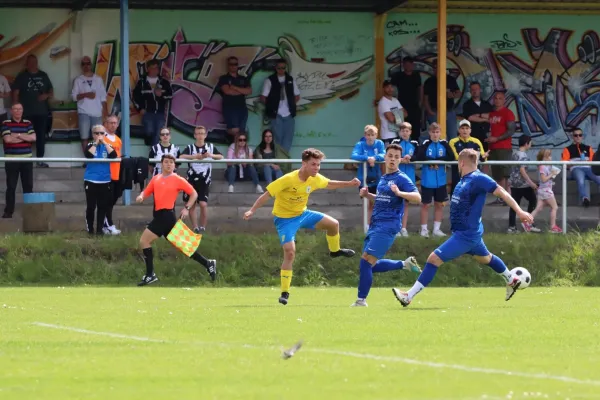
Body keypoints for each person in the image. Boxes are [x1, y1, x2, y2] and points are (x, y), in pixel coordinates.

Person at [392, 148, 534, 307]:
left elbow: (502, 192)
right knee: (485, 258)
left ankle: (408, 296)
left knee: (434, 259)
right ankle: (511, 279)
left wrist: (519, 211)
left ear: (461, 163)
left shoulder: (478, 178)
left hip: (466, 235)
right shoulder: (465, 179)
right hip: (467, 232)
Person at [243, 148, 360, 305]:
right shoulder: (288, 179)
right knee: (290, 253)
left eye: (318, 165)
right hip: (284, 220)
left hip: (302, 214)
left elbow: (329, 184)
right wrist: (252, 210)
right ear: (304, 164)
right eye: (313, 164)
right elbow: (267, 194)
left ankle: (335, 251)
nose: (317, 168)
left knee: (333, 224)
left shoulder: (315, 178)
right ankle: (285, 292)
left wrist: (350, 183)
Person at [350, 143, 422, 307]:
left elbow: (417, 197)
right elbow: (382, 199)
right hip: (375, 224)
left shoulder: (401, 178)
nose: (393, 159)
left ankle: (361, 301)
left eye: (396, 157)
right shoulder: (384, 178)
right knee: (370, 265)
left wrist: (399, 193)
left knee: (366, 261)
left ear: (400, 160)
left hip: (388, 225)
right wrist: (368, 195)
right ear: (385, 157)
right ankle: (405, 264)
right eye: (390, 156)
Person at [135, 154, 217, 286]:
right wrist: (141, 196)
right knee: (183, 246)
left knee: (144, 241)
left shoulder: (177, 179)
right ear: (162, 164)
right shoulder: (156, 178)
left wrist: (187, 208)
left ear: (174, 165)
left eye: (171, 162)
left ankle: (150, 275)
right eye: (166, 162)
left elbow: (194, 193)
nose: (168, 164)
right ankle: (208, 263)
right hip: (159, 215)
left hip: (166, 216)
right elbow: (146, 191)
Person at [180, 126, 223, 233]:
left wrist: (210, 155)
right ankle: (195, 228)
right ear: (194, 135)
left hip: (204, 179)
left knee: (203, 204)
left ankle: (203, 227)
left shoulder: (210, 146)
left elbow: (221, 157)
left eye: (202, 133)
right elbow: (181, 156)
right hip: (191, 179)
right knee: (192, 204)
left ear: (205, 135)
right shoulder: (190, 147)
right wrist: (195, 157)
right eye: (198, 133)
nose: (200, 135)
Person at [417, 122, 454, 237]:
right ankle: (424, 229)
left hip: (441, 181)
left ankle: (436, 230)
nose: (435, 134)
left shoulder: (444, 143)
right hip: (428, 181)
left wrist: (439, 160)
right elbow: (420, 155)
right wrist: (431, 162)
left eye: (437, 132)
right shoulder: (425, 143)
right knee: (426, 205)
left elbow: (451, 157)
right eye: (433, 132)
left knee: (439, 204)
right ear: (429, 133)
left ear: (440, 133)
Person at [1, 103, 36, 219]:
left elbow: (33, 138)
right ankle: (8, 212)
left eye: (20, 109)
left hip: (26, 159)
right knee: (11, 186)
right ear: (11, 111)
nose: (17, 111)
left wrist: (18, 135)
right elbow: (8, 139)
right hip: (12, 159)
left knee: (28, 186)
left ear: (22, 110)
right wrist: (25, 137)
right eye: (15, 109)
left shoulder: (28, 123)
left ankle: (30, 212)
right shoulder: (6, 123)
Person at [84, 125, 117, 235]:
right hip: (91, 180)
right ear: (93, 135)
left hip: (105, 180)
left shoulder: (108, 146)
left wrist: (105, 143)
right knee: (91, 206)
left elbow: (114, 155)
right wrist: (96, 143)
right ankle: (90, 230)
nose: (99, 135)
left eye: (102, 133)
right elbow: (88, 155)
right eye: (97, 133)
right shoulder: (89, 145)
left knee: (102, 206)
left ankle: (99, 230)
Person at [350, 125, 385, 223]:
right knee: (366, 202)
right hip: (363, 178)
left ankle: (374, 224)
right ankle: (367, 225)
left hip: (376, 178)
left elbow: (384, 154)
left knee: (376, 202)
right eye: (368, 135)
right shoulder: (360, 144)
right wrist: (367, 158)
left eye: (372, 135)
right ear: (365, 135)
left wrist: (375, 158)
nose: (370, 137)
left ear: (376, 135)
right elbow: (354, 155)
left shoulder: (379, 143)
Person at [508, 135, 540, 233]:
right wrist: (531, 183)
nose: (531, 145)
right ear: (527, 143)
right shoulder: (523, 156)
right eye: (530, 143)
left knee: (514, 205)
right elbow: (522, 171)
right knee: (533, 200)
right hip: (522, 185)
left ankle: (511, 227)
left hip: (514, 184)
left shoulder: (515, 154)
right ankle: (528, 223)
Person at [391, 122, 418, 237]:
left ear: (410, 132)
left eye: (407, 131)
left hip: (409, 177)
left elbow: (420, 155)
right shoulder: (395, 142)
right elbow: (390, 155)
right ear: (399, 132)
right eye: (402, 131)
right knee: (396, 203)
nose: (405, 133)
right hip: (396, 176)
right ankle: (395, 228)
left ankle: (404, 228)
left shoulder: (414, 143)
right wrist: (400, 159)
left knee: (406, 203)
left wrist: (410, 158)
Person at [530, 149, 562, 233]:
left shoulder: (546, 166)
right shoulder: (542, 167)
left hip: (543, 190)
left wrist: (552, 172)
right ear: (544, 157)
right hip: (546, 190)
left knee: (538, 208)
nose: (551, 157)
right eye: (549, 156)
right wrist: (551, 174)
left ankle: (526, 222)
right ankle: (553, 227)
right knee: (554, 207)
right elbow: (544, 179)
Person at [102, 115, 123, 235]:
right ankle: (108, 224)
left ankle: (107, 224)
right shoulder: (103, 138)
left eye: (115, 123)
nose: (113, 125)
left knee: (113, 199)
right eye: (111, 123)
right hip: (106, 174)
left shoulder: (118, 140)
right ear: (106, 124)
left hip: (117, 174)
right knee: (107, 201)